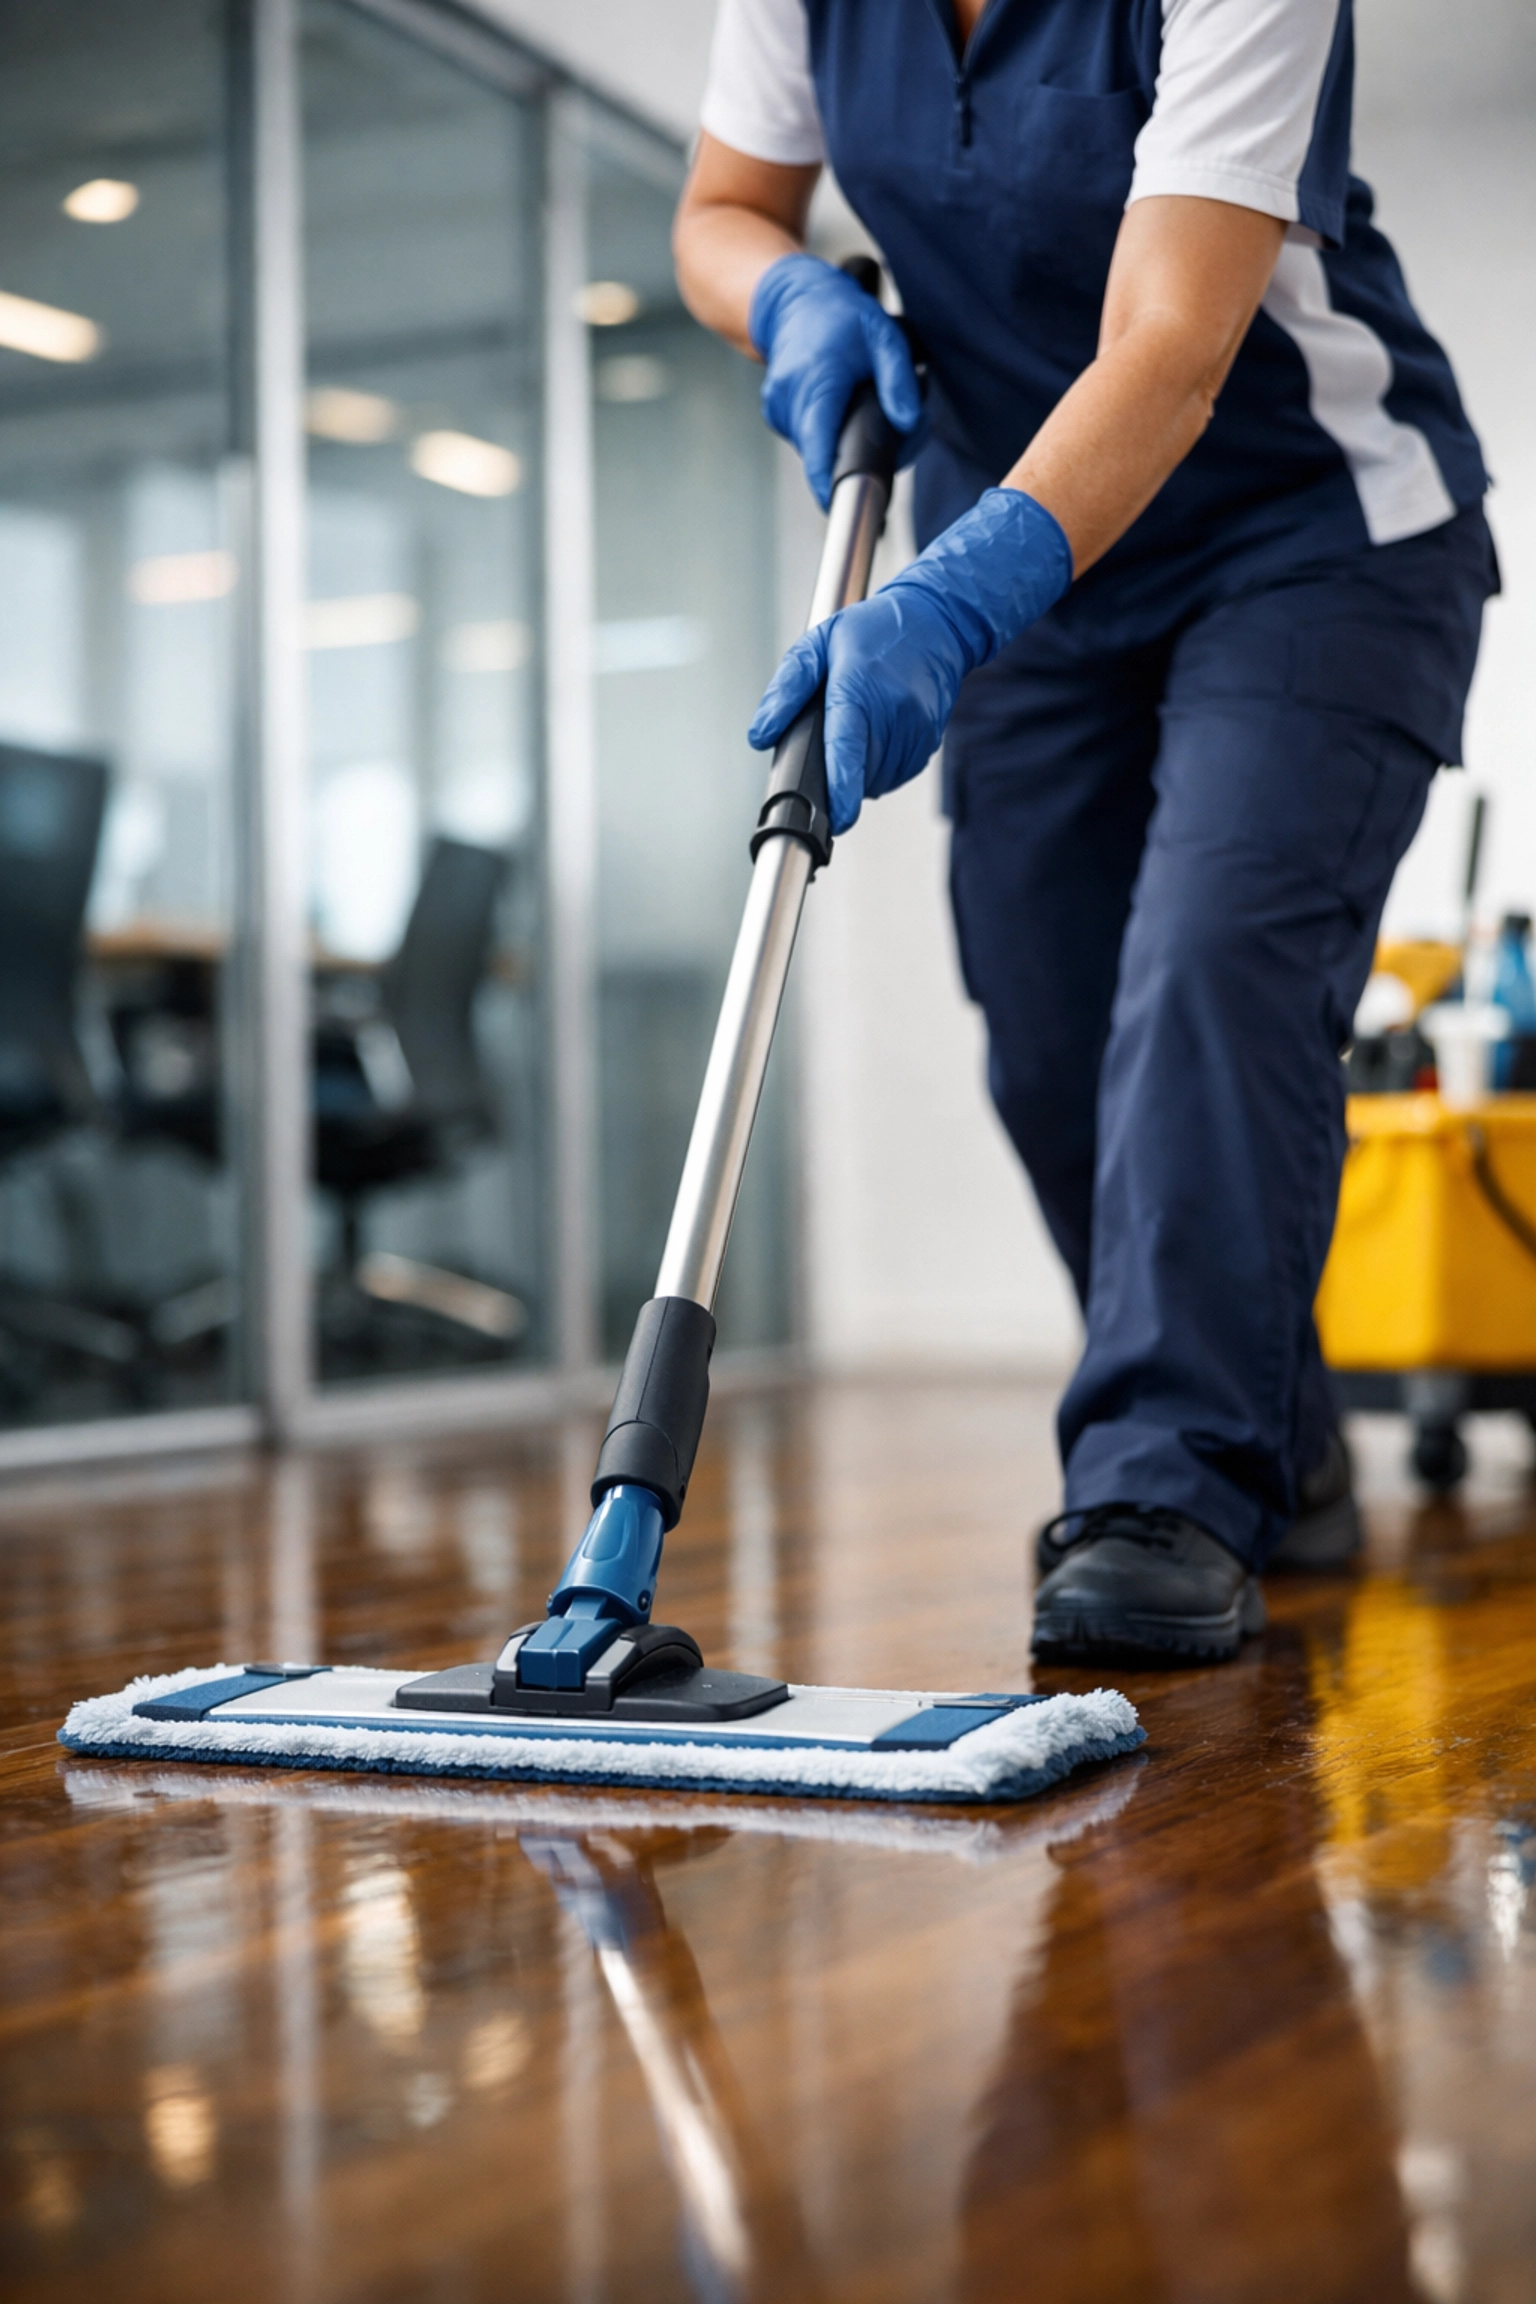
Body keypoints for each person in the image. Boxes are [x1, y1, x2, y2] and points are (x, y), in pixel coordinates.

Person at [674, 0, 1496, 1662]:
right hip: (1034, 558)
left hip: (1314, 535)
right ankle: (1273, 1432)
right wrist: (785, 293)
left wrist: (951, 600)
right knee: (1048, 1026)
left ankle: (1168, 1483)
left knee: (1210, 971)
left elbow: (1172, 340)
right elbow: (721, 207)